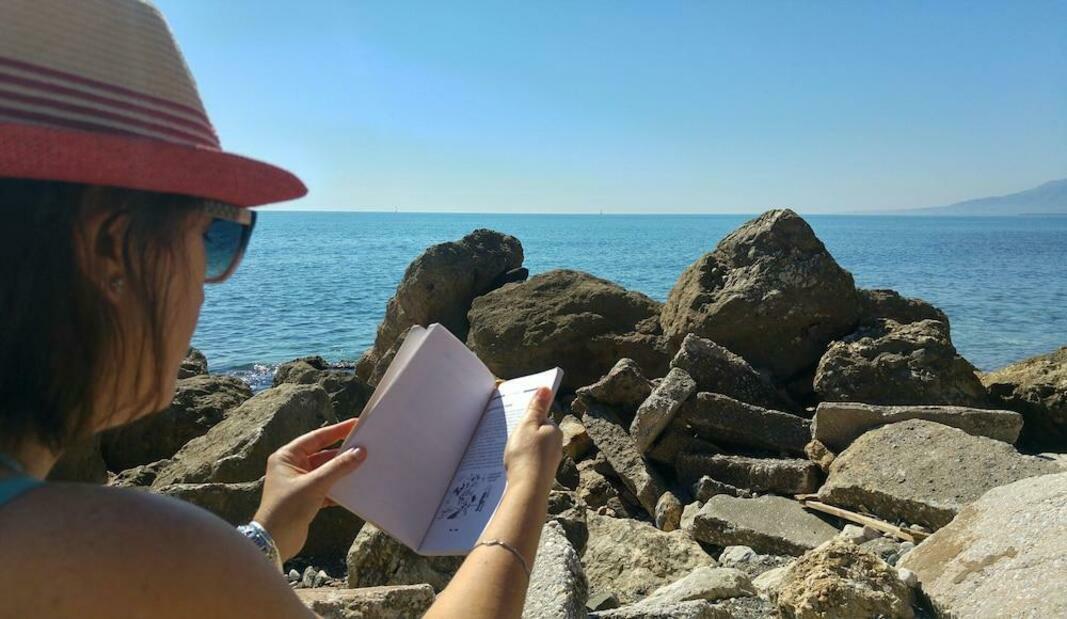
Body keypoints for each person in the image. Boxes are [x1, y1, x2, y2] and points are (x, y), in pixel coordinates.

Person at [0, 1, 562, 618]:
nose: (209, 285)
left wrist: (263, 535)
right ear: (112, 247)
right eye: (214, 235)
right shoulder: (139, 554)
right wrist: (523, 489)